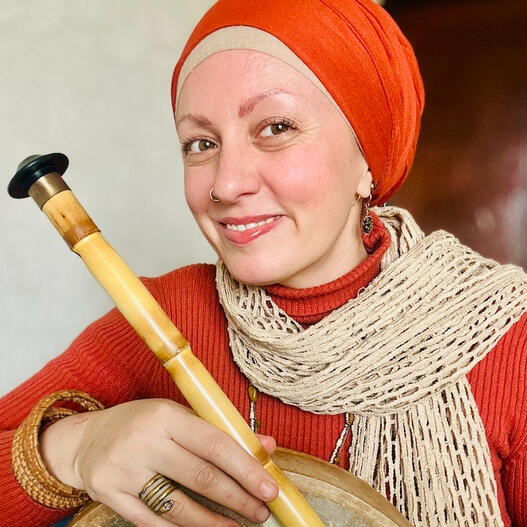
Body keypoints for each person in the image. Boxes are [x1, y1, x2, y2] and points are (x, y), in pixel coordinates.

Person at [1, 1, 526, 526]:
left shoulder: (508, 337)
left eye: (276, 128)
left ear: (367, 158)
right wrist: (73, 449)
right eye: (200, 143)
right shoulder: (160, 318)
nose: (226, 184)